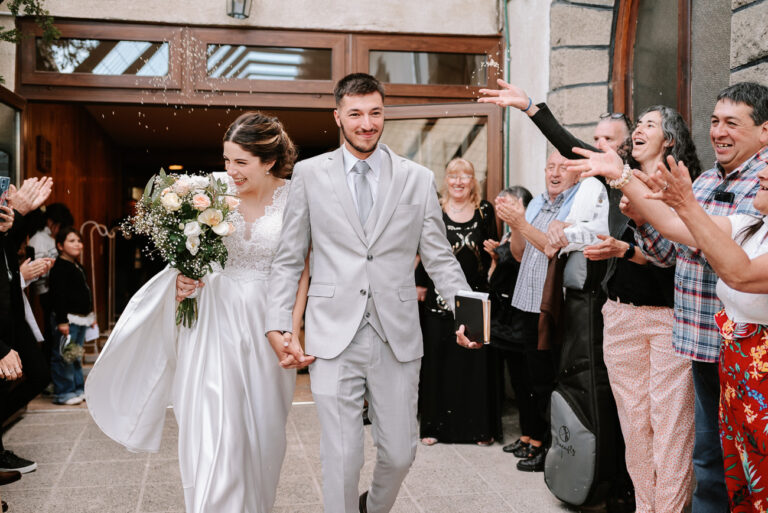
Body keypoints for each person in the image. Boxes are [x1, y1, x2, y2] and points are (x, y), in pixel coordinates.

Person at [265, 73, 471, 513]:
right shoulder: (308, 174)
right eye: (355, 113)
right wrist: (281, 324)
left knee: (400, 454)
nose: (366, 123)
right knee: (341, 458)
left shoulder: (417, 178)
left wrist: (467, 311)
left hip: (395, 335)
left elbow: (439, 258)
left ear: (384, 114)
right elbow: (288, 258)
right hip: (331, 335)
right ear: (338, 116)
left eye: (375, 112)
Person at [85, 112, 310, 513]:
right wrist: (181, 279)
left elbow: (301, 270)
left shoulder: (296, 197)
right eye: (226, 159)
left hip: (267, 322)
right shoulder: (206, 190)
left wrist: (291, 331)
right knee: (211, 428)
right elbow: (185, 253)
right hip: (211, 318)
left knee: (263, 436)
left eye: (241, 162)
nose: (230, 170)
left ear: (269, 162)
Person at [571, 81, 768, 513]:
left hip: (746, 349)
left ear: (764, 131)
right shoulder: (705, 180)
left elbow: (712, 247)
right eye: (715, 121)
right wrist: (643, 216)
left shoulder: (763, 181)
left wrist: (629, 184)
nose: (718, 131)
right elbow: (671, 249)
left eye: (732, 123)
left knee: (744, 465)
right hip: (698, 338)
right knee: (710, 460)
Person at [491, 150, 583, 472]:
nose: (555, 173)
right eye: (550, 167)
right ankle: (536, 438)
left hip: (551, 306)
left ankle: (550, 446)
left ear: (576, 173)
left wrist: (520, 223)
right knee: (531, 378)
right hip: (525, 299)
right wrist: (516, 225)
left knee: (548, 379)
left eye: (563, 167)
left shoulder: (577, 202)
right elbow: (518, 253)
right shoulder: (536, 202)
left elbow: (550, 247)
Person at [416, 157, 500, 447]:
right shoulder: (435, 209)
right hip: (438, 298)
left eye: (466, 176)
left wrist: (496, 255)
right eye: (453, 176)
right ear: (446, 180)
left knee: (473, 365)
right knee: (436, 364)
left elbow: (493, 251)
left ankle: (477, 429)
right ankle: (433, 428)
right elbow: (424, 250)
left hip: (474, 296)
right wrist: (419, 284)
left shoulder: (484, 210)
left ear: (473, 180)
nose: (459, 181)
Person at [0, 177, 53, 478]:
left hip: (11, 312)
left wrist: (22, 211)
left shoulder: (8, 223)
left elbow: (8, 243)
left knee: (38, 374)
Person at [483, 186, 535, 456]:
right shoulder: (505, 236)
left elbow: (519, 257)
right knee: (516, 380)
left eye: (512, 204)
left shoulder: (524, 232)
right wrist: (495, 256)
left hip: (520, 318)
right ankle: (525, 435)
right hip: (504, 318)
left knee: (527, 381)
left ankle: (533, 436)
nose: (505, 209)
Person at [48, 227, 93, 405]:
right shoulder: (59, 267)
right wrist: (61, 321)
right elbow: (57, 296)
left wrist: (91, 315)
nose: (77, 244)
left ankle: (77, 388)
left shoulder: (77, 265)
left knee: (74, 356)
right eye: (71, 241)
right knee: (63, 356)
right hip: (67, 319)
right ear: (60, 245)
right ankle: (64, 392)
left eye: (79, 241)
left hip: (80, 318)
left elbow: (85, 292)